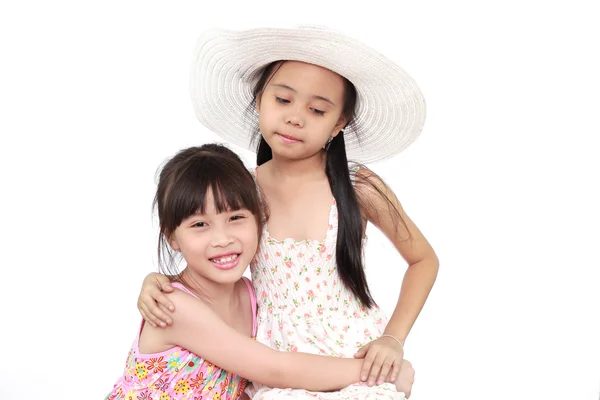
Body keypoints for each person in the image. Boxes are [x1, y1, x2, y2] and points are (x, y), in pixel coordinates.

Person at [139, 26, 438, 398]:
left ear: (339, 123)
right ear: (260, 100)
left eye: (316, 110)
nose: (296, 118)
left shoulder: (358, 186)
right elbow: (208, 253)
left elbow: (423, 260)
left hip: (354, 348)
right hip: (275, 357)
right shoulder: (242, 192)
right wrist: (158, 280)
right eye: (283, 100)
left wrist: (393, 338)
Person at [106, 144, 413, 400]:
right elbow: (274, 369)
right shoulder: (172, 306)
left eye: (236, 217)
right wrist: (380, 373)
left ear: (260, 219)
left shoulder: (251, 297)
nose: (222, 239)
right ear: (172, 236)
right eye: (200, 224)